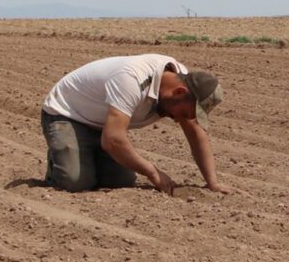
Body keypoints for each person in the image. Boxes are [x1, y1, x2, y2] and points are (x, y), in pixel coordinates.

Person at [40, 53, 230, 195]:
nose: (187, 118)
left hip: (104, 124)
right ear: (179, 92)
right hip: (68, 114)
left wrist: (212, 183)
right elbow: (113, 140)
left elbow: (196, 134)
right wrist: (152, 172)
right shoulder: (131, 79)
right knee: (75, 183)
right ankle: (59, 163)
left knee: (119, 182)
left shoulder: (183, 79)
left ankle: (87, 157)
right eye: (188, 112)